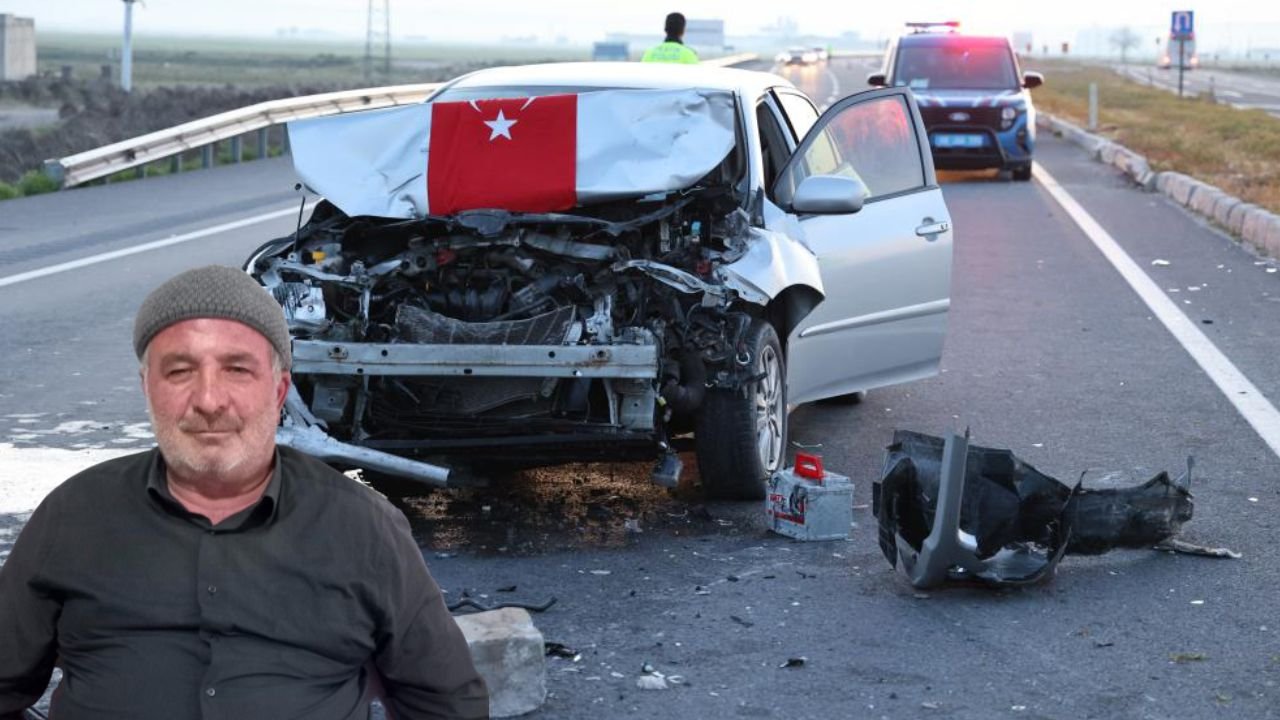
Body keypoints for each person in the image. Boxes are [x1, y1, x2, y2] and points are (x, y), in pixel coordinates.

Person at [0, 265, 488, 720]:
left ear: (278, 391)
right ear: (147, 388)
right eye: (179, 371)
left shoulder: (362, 524)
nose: (209, 401)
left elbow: (447, 704)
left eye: (237, 369)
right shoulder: (74, 515)